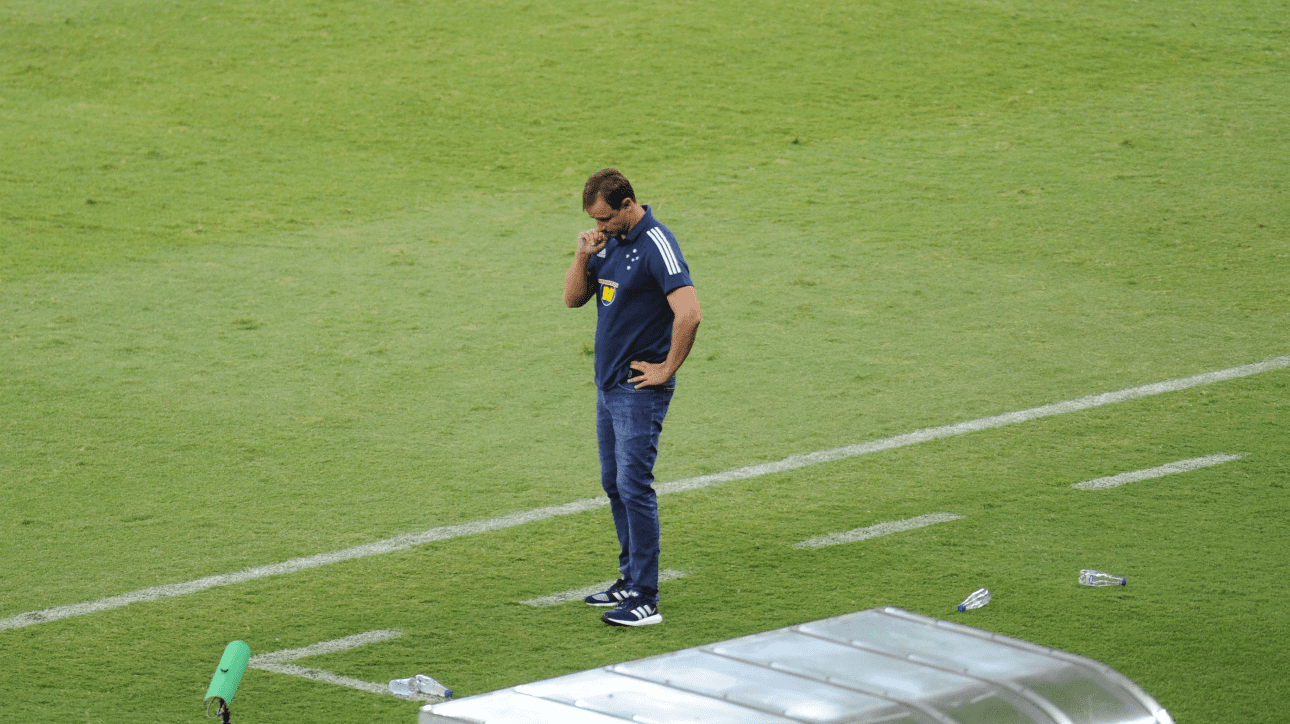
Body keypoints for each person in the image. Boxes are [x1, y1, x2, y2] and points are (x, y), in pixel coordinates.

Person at [563, 168, 702, 627]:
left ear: (627, 205)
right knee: (613, 483)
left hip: (638, 390)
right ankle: (628, 578)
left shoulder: (657, 244)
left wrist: (666, 368)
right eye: (594, 221)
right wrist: (583, 256)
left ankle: (645, 595)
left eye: (605, 219)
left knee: (634, 487)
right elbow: (573, 299)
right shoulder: (612, 243)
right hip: (608, 387)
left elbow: (690, 313)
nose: (599, 227)